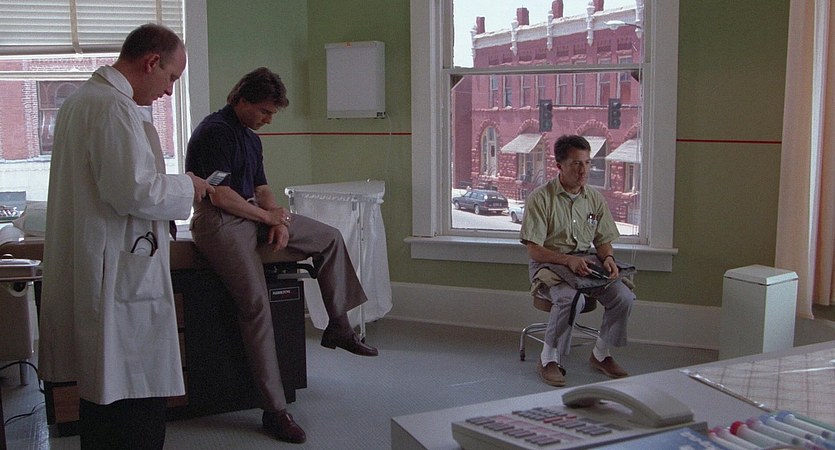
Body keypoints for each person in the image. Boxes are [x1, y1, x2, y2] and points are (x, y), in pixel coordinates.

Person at [38, 24, 215, 449]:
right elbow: (134, 190)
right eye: (171, 77)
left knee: (105, 394)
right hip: (117, 273)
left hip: (105, 263)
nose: (169, 91)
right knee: (130, 395)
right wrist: (189, 186)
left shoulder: (81, 101)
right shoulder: (112, 108)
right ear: (151, 62)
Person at [185, 67, 378, 444]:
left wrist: (280, 219)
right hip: (219, 220)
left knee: (329, 238)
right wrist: (268, 217)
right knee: (256, 306)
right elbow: (219, 195)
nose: (269, 119)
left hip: (252, 213)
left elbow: (261, 187)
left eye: (273, 113)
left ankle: (339, 326)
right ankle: (274, 410)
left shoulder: (250, 138)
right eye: (264, 111)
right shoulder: (214, 132)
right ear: (241, 100)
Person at [519, 134, 635, 387]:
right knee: (571, 299)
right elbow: (534, 250)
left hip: (585, 264)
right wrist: (566, 261)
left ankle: (601, 354)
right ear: (559, 165)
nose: (583, 170)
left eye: (587, 163)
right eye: (575, 164)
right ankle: (548, 358)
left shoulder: (594, 198)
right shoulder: (541, 198)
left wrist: (608, 258)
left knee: (624, 297)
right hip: (549, 265)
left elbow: (603, 240)